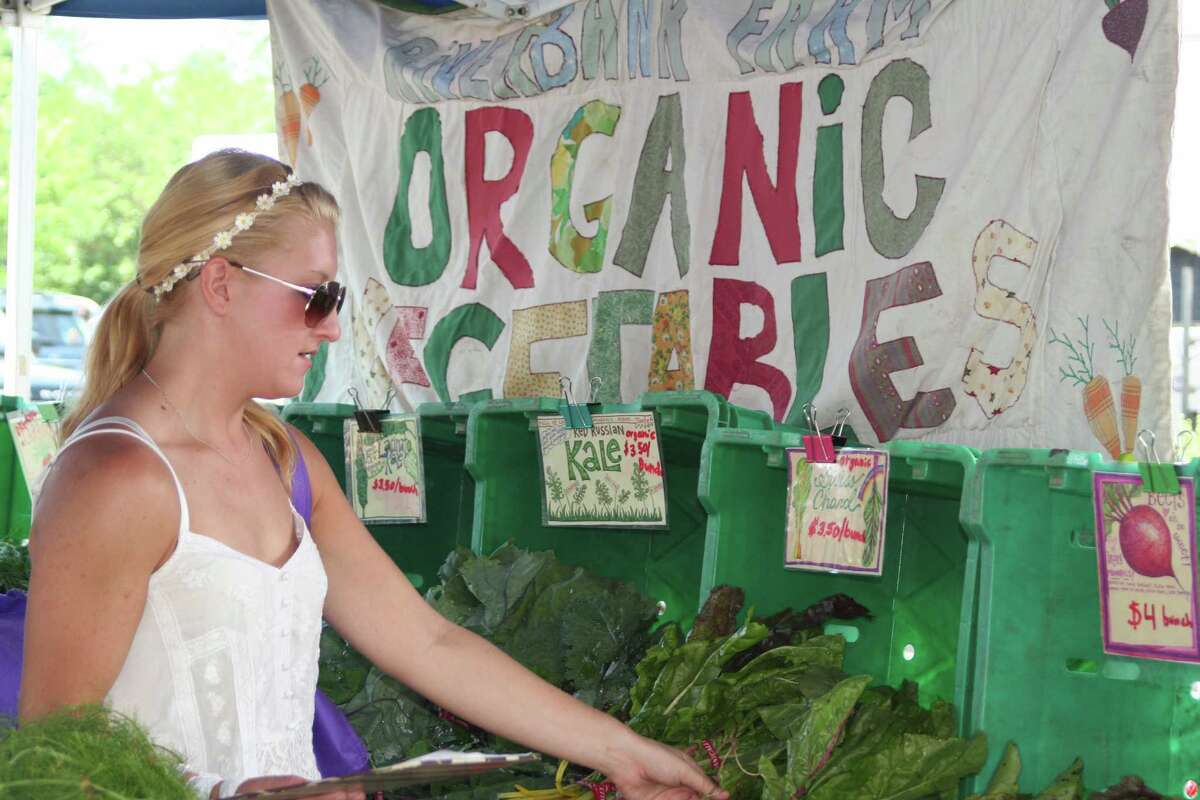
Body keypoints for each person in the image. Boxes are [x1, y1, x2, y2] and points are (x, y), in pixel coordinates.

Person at [19, 150, 727, 800]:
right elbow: (54, 749)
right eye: (315, 296)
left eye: (336, 300)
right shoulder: (114, 478)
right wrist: (218, 792)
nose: (330, 327)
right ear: (220, 284)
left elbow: (429, 642)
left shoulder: (288, 460)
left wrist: (623, 751)